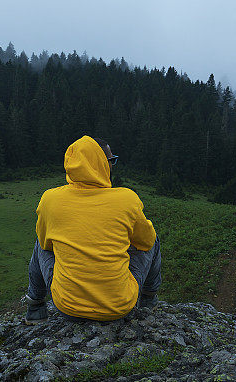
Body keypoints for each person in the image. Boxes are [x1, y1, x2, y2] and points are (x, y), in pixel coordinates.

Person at [24, 135, 162, 324]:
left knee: (40, 243)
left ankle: (35, 308)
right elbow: (146, 242)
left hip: (67, 308)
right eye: (111, 161)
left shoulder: (50, 199)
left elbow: (45, 243)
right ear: (103, 164)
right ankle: (148, 301)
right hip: (119, 308)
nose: (113, 165)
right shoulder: (127, 199)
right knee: (153, 239)